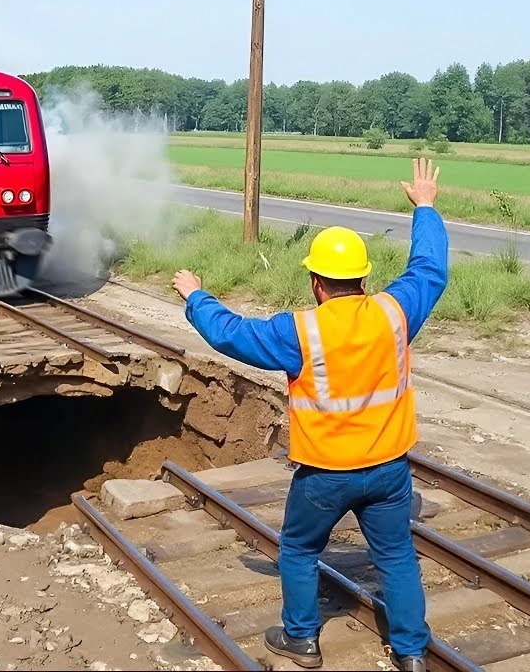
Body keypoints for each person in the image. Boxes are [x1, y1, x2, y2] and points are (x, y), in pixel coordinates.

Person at [171, 159, 448, 672]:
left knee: (298, 549)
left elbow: (230, 332)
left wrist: (195, 296)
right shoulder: (394, 312)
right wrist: (425, 208)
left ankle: (301, 639)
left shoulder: (301, 332)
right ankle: (411, 654)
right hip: (389, 470)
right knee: (396, 558)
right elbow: (429, 269)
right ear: (363, 278)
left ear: (317, 283)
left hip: (325, 474)